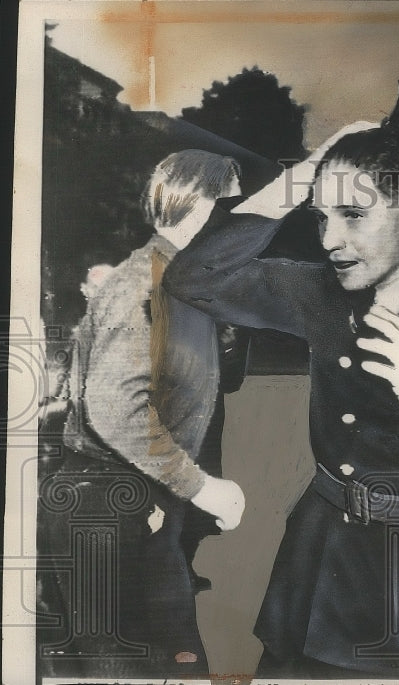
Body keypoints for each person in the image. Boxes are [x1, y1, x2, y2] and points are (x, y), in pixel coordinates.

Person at [163, 83, 399, 679]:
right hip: (317, 566)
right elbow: (195, 278)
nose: (329, 241)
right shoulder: (319, 292)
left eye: (354, 215)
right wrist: (308, 175)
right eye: (321, 216)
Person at [37, 150, 247, 678]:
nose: (239, 225)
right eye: (231, 207)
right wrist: (201, 486)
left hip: (132, 506)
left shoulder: (176, 282)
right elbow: (114, 407)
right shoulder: (148, 284)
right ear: (195, 204)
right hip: (107, 508)